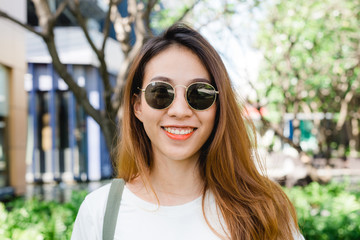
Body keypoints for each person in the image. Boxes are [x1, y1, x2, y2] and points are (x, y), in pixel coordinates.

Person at [71, 23, 304, 240]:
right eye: (161, 92)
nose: (180, 111)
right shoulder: (99, 212)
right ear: (137, 107)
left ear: (218, 107)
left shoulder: (264, 208)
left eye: (199, 94)